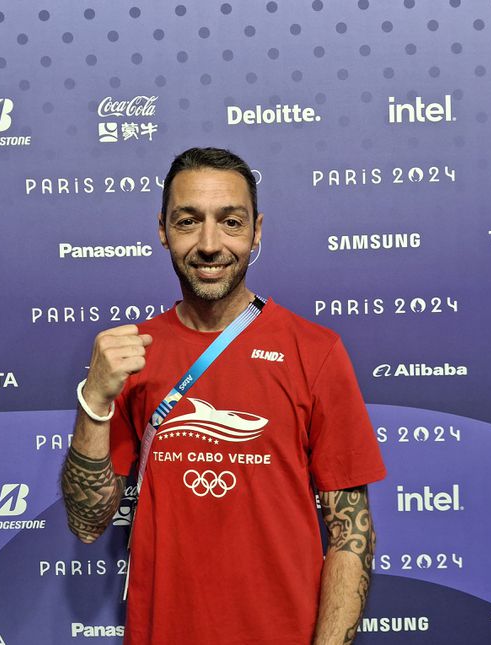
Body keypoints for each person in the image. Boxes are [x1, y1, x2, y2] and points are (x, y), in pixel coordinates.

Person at [61, 147, 386, 645]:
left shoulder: (315, 351)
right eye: (188, 221)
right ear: (163, 230)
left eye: (230, 222)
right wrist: (95, 401)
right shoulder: (132, 354)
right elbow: (87, 523)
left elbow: (351, 534)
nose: (210, 244)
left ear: (256, 231)